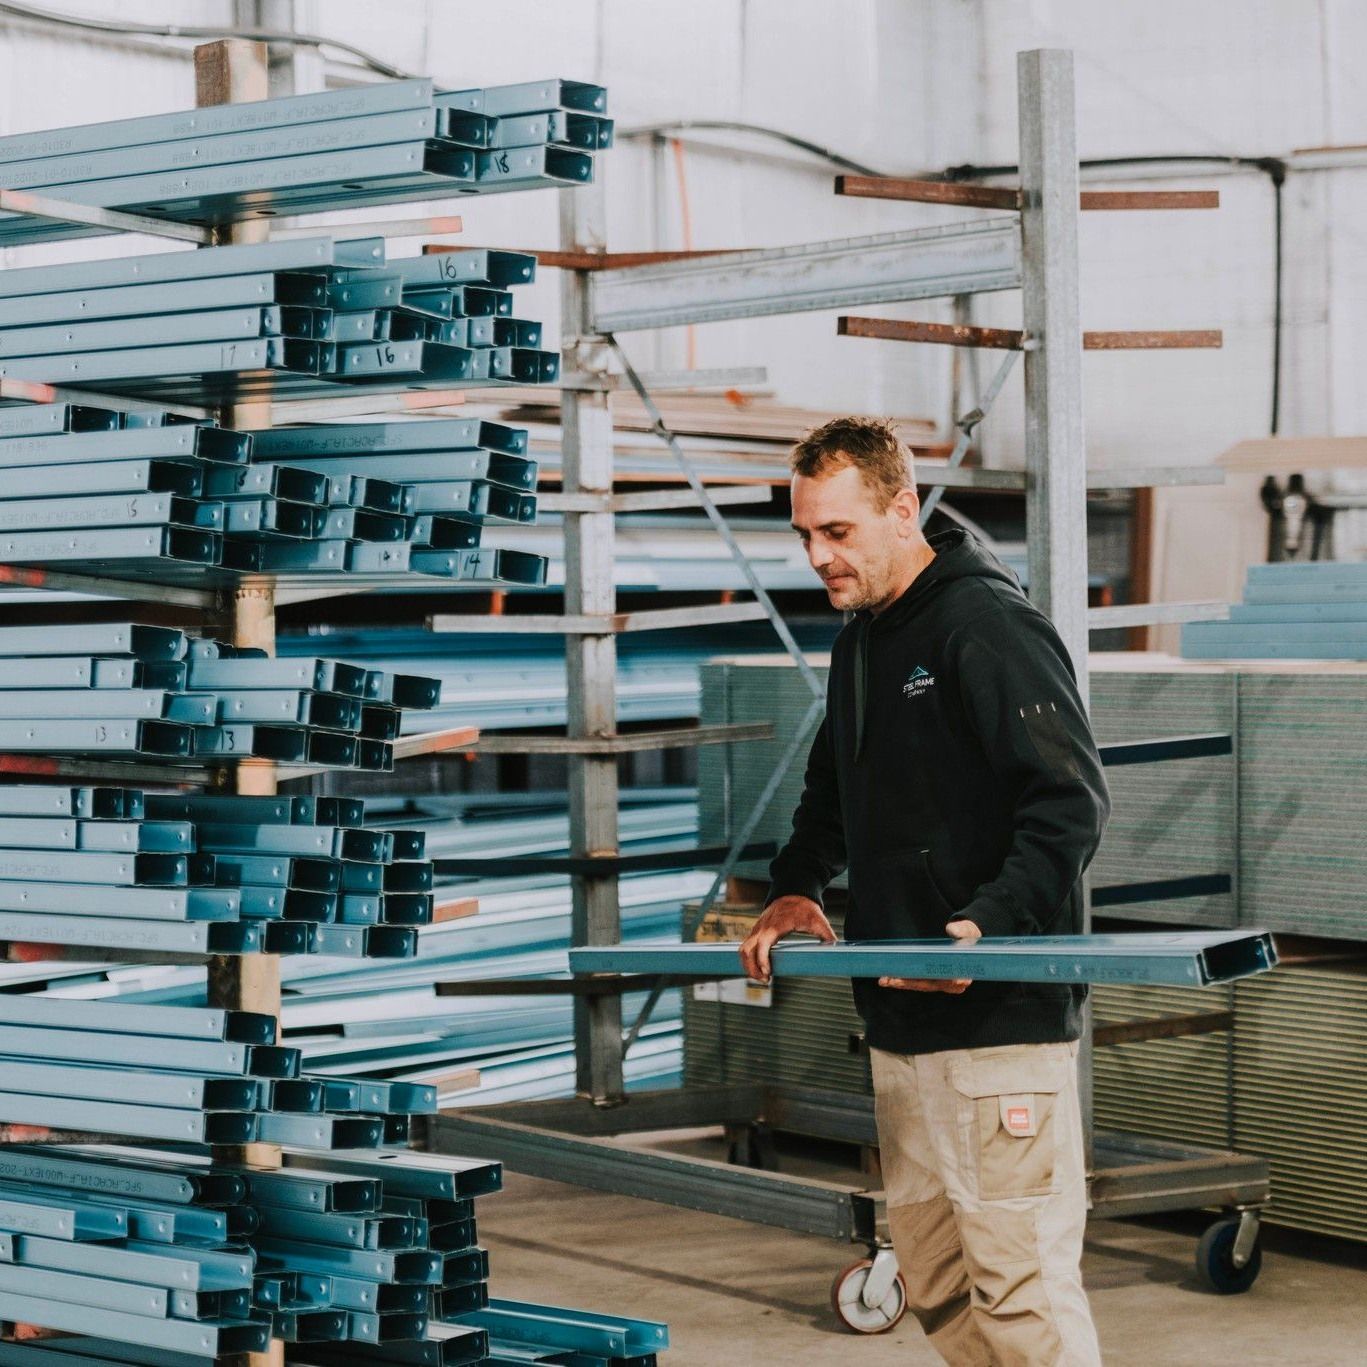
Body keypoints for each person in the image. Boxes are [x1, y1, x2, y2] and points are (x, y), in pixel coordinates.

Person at [738, 416, 1110, 1366]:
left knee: (1021, 1296)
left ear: (902, 510)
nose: (818, 556)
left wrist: (986, 924)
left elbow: (1067, 802)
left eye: (838, 531)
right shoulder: (864, 640)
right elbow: (833, 788)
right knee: (941, 1292)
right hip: (901, 1023)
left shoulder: (985, 626)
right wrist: (793, 887)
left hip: (999, 1027)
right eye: (805, 535)